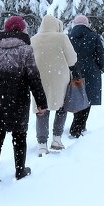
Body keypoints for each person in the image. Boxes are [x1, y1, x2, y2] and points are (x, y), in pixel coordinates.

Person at [0, 15, 47, 184]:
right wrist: (41, 103)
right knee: (19, 136)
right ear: (22, 30)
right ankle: (20, 170)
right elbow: (34, 77)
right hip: (18, 99)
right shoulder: (26, 50)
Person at [30, 14, 79, 155]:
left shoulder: (33, 39)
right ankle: (56, 139)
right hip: (59, 79)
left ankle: (42, 145)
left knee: (41, 110)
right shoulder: (61, 38)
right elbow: (72, 60)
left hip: (39, 80)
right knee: (61, 108)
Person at [67, 15, 104, 137]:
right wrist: (101, 67)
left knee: (78, 97)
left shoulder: (69, 37)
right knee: (87, 99)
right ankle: (79, 126)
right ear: (87, 24)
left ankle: (77, 124)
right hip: (91, 72)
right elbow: (101, 53)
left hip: (74, 72)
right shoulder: (93, 36)